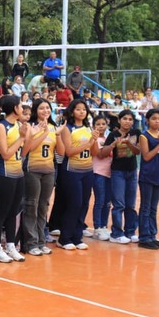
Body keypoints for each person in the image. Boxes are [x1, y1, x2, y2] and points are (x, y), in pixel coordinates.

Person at [57, 99, 100, 250]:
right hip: (71, 171)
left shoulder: (88, 129)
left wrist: (94, 141)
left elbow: (94, 153)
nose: (82, 112)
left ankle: (77, 236)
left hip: (87, 170)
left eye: (84, 109)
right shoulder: (67, 129)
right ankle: (64, 238)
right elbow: (68, 152)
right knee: (74, 203)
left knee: (84, 204)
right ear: (72, 111)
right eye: (78, 109)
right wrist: (87, 144)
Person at [0, 95, 27, 263]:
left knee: (13, 212)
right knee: (1, 212)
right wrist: (21, 137)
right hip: (4, 174)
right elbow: (5, 153)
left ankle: (10, 245)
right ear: (14, 108)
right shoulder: (1, 126)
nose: (23, 109)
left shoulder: (19, 125)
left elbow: (24, 151)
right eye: (20, 106)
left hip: (18, 173)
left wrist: (29, 136)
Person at [21, 99, 60, 256]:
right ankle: (30, 243)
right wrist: (42, 132)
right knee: (31, 205)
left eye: (48, 108)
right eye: (42, 108)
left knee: (44, 206)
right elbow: (27, 149)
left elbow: (61, 151)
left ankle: (41, 241)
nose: (45, 110)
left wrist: (61, 134)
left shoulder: (53, 127)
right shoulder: (30, 127)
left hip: (49, 170)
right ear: (35, 110)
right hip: (32, 169)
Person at [99, 109, 141, 244]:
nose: (127, 121)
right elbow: (103, 153)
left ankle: (130, 231)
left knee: (131, 204)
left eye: (130, 119)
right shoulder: (113, 134)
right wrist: (113, 144)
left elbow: (138, 151)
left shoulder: (136, 133)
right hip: (118, 172)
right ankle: (116, 233)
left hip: (132, 171)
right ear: (119, 120)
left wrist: (129, 143)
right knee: (119, 204)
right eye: (125, 119)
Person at [137, 109, 159, 250]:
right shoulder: (144, 136)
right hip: (147, 175)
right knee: (146, 207)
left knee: (153, 208)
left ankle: (152, 235)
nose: (157, 121)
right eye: (154, 118)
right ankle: (144, 237)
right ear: (147, 120)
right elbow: (146, 156)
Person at [89, 115, 112, 241]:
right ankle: (97, 228)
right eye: (98, 124)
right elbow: (99, 154)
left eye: (103, 124)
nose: (101, 126)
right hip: (98, 173)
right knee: (100, 201)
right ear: (94, 126)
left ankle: (104, 226)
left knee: (108, 202)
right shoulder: (94, 139)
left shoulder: (109, 137)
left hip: (110, 173)